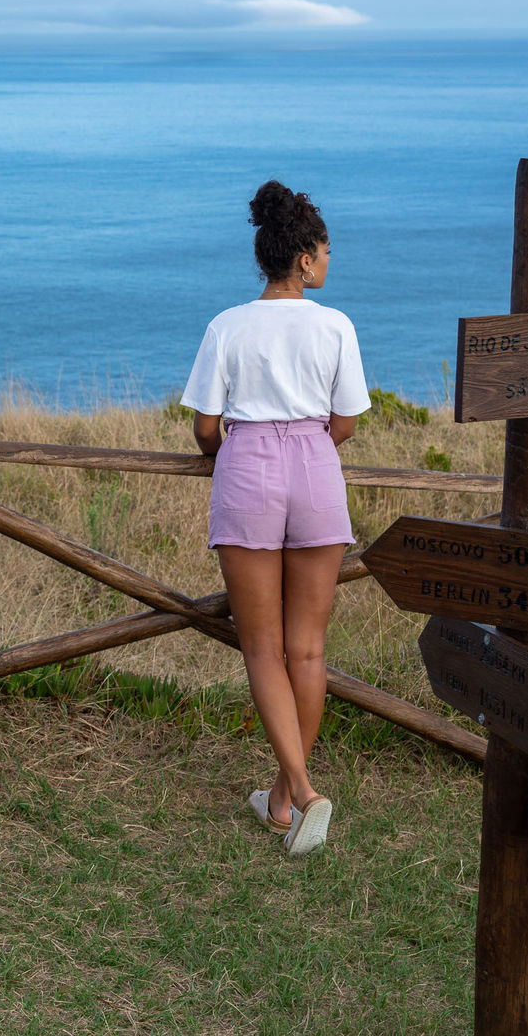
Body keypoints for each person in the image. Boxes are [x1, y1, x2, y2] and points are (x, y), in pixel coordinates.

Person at [180, 180, 370, 857]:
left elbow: (206, 427)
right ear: (304, 259)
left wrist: (240, 446)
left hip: (249, 465)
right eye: (324, 251)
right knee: (308, 649)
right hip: (317, 466)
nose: (327, 262)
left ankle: (303, 793)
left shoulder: (227, 325)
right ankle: (283, 802)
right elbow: (344, 420)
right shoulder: (335, 325)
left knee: (260, 648)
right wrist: (306, 446)